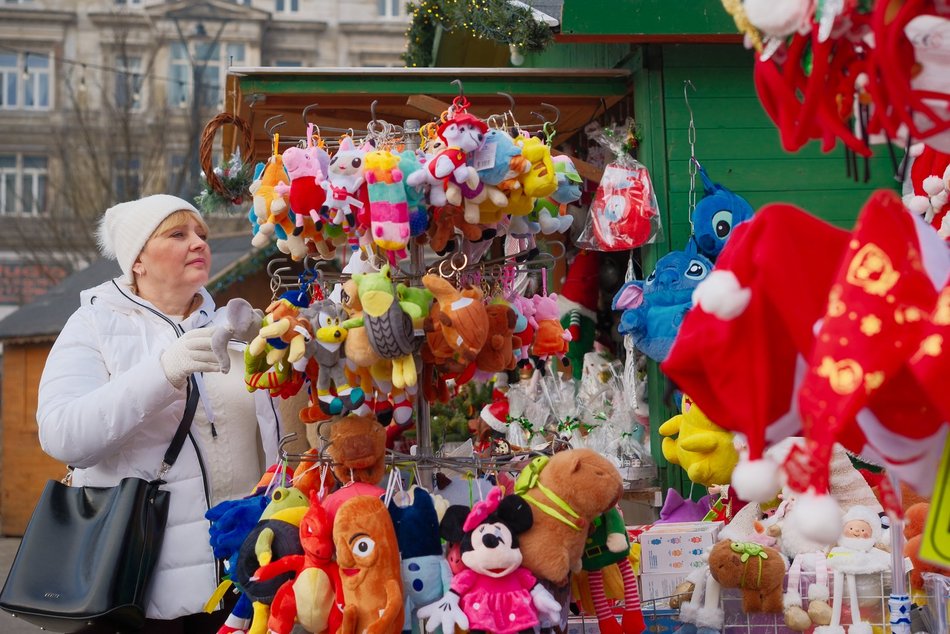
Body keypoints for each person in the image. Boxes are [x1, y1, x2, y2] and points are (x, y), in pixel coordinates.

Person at [37, 195, 281, 633]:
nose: (199, 243)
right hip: (140, 588)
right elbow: (62, 435)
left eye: (201, 234)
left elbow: (273, 443)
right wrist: (165, 369)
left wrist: (277, 357)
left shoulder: (228, 326)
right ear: (138, 261)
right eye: (178, 234)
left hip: (237, 579)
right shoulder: (92, 325)